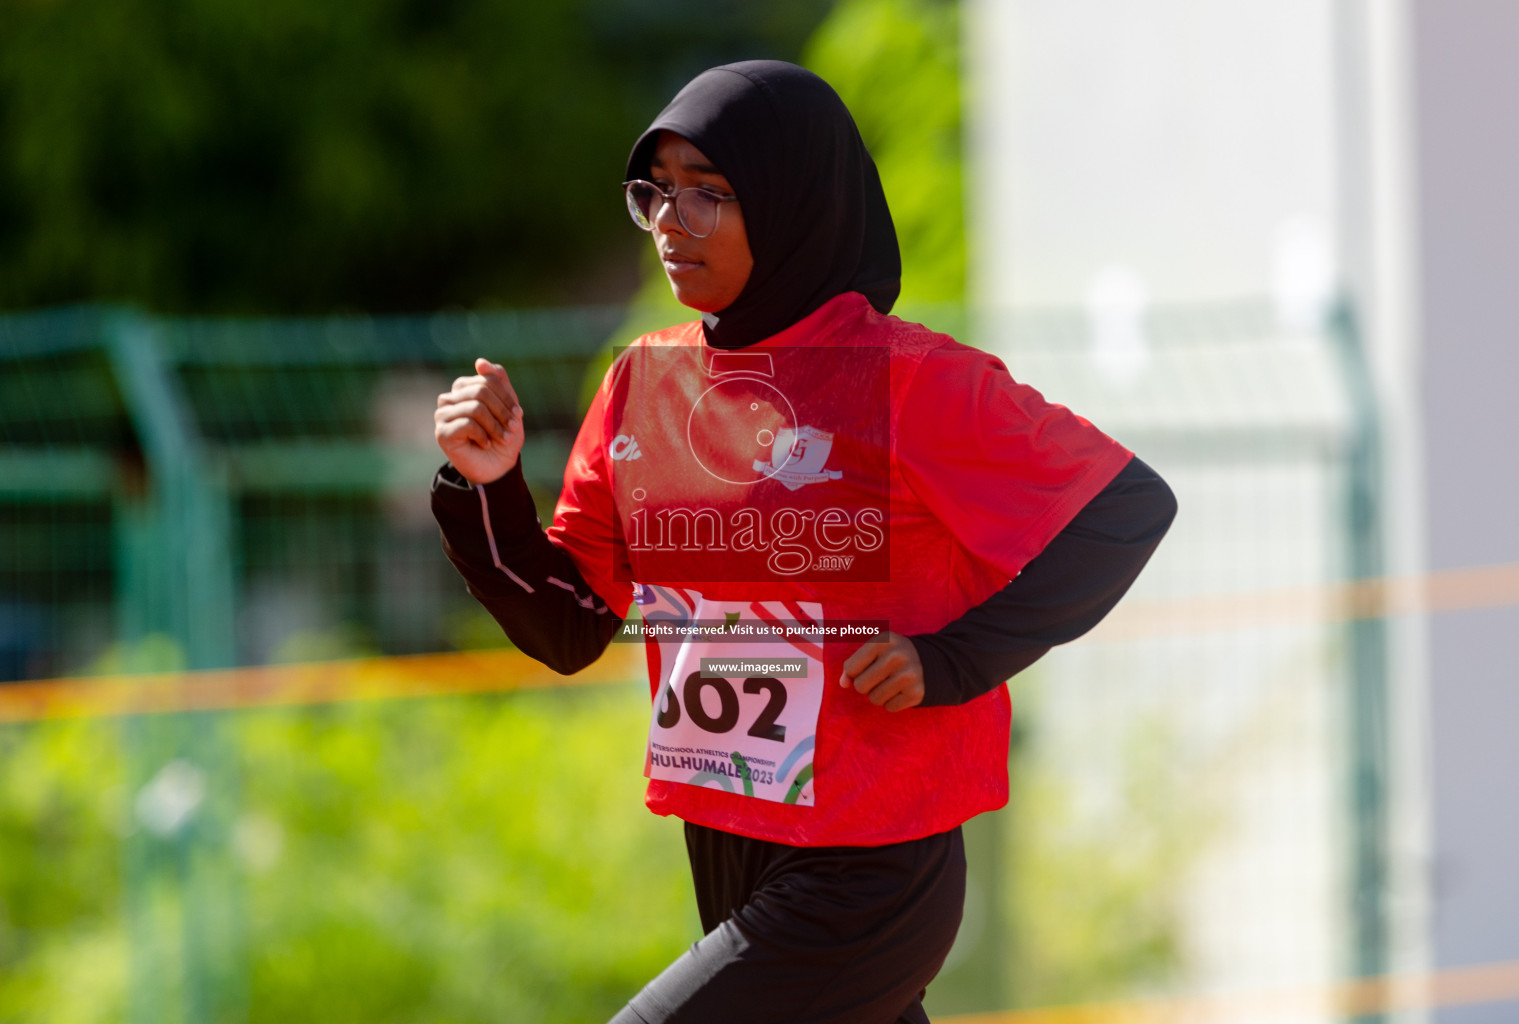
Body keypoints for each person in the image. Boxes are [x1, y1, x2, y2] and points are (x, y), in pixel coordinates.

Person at [431, 60, 1176, 1024]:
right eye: (655, 191)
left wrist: (955, 660)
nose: (669, 220)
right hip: (724, 840)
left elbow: (1126, 508)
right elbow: (571, 627)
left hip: (868, 869)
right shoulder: (643, 382)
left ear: (790, 202)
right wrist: (486, 488)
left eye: (709, 193)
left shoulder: (909, 380)